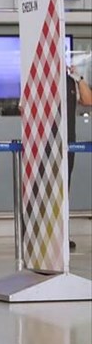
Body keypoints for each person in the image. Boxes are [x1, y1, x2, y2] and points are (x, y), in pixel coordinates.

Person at [66, 65, 92, 250]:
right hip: (45, 142)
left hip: (68, 141)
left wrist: (79, 78)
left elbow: (88, 100)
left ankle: (62, 234)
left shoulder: (70, 82)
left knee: (64, 187)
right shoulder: (39, 80)